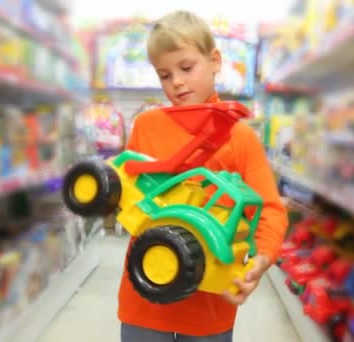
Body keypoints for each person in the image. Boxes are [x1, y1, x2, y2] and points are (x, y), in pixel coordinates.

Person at [120, 10, 288, 342]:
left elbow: (269, 209)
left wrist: (261, 260)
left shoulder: (240, 137)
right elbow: (128, 189)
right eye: (164, 75)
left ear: (214, 60)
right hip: (146, 291)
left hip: (210, 301)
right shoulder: (146, 125)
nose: (176, 83)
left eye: (186, 68)